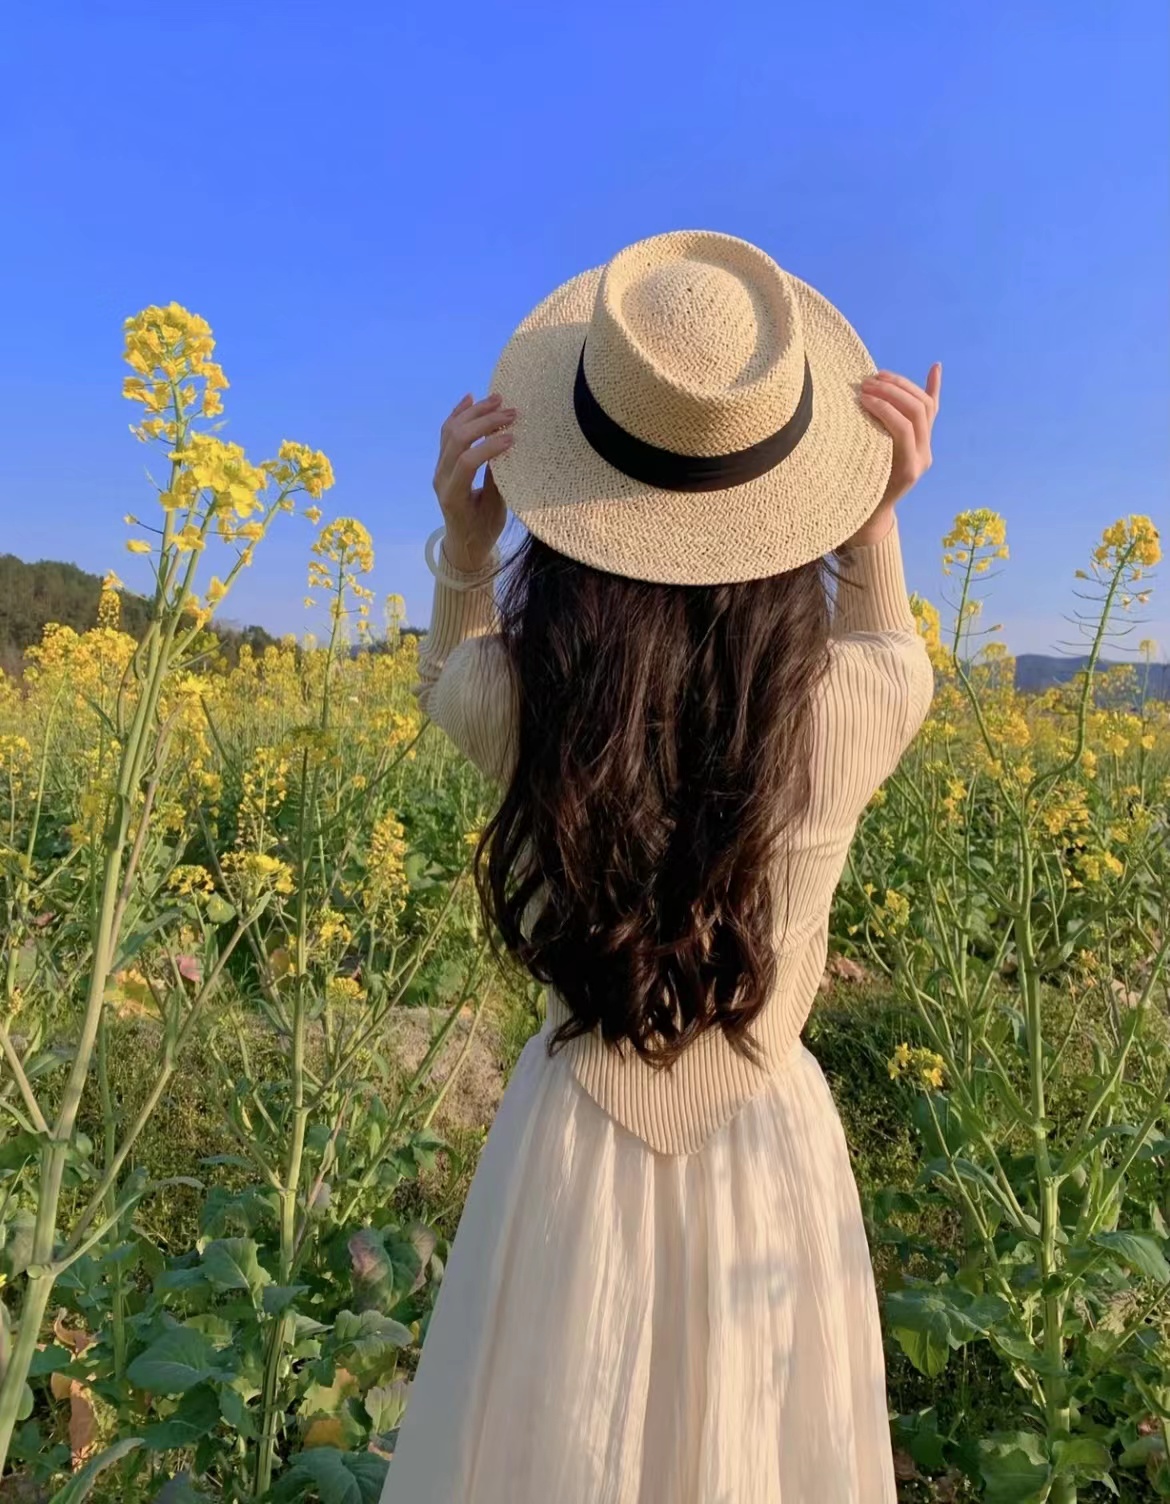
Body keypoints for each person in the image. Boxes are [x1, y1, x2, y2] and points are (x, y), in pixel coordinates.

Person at [381, 230, 940, 1503]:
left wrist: (467, 549)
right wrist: (880, 510)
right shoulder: (857, 703)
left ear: (577, 516)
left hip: (567, 1144)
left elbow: (447, 678)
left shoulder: (526, 705)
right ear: (794, 503)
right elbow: (886, 643)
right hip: (770, 1143)